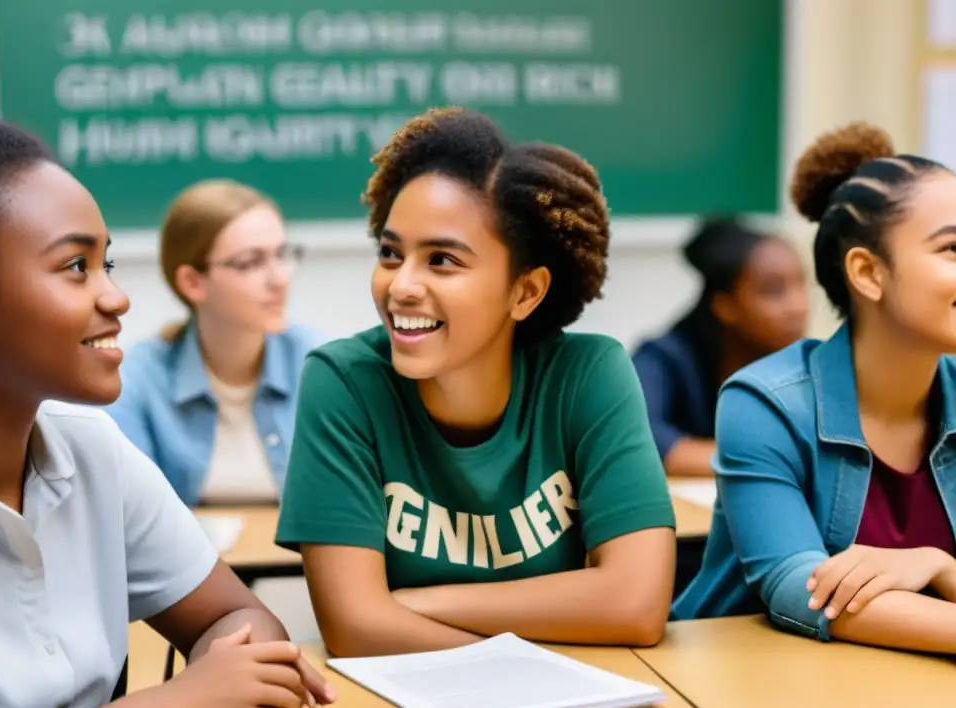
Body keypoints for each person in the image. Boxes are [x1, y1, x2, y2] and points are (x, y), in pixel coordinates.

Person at [0, 119, 334, 708]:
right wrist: (182, 705)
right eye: (74, 267)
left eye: (106, 263)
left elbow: (240, 620)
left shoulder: (94, 452)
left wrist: (225, 673)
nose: (116, 297)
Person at [274, 107, 677, 658]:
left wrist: (413, 605)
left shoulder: (590, 375)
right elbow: (352, 629)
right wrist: (539, 640)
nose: (401, 287)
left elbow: (635, 604)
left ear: (525, 292)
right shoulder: (343, 383)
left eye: (441, 260)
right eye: (391, 254)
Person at [673, 122, 956, 654]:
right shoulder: (765, 402)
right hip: (756, 701)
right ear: (868, 273)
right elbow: (799, 589)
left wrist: (939, 565)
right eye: (953, 248)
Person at [107, 180, 319, 506]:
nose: (279, 279)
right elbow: (128, 512)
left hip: (299, 558)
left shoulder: (316, 363)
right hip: (186, 558)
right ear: (193, 282)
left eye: (282, 255)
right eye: (251, 262)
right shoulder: (139, 378)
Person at [632, 218, 809, 477]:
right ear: (725, 305)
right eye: (774, 291)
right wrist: (767, 461)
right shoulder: (662, 359)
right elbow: (641, 439)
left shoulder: (806, 363)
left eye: (803, 285)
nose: (799, 306)